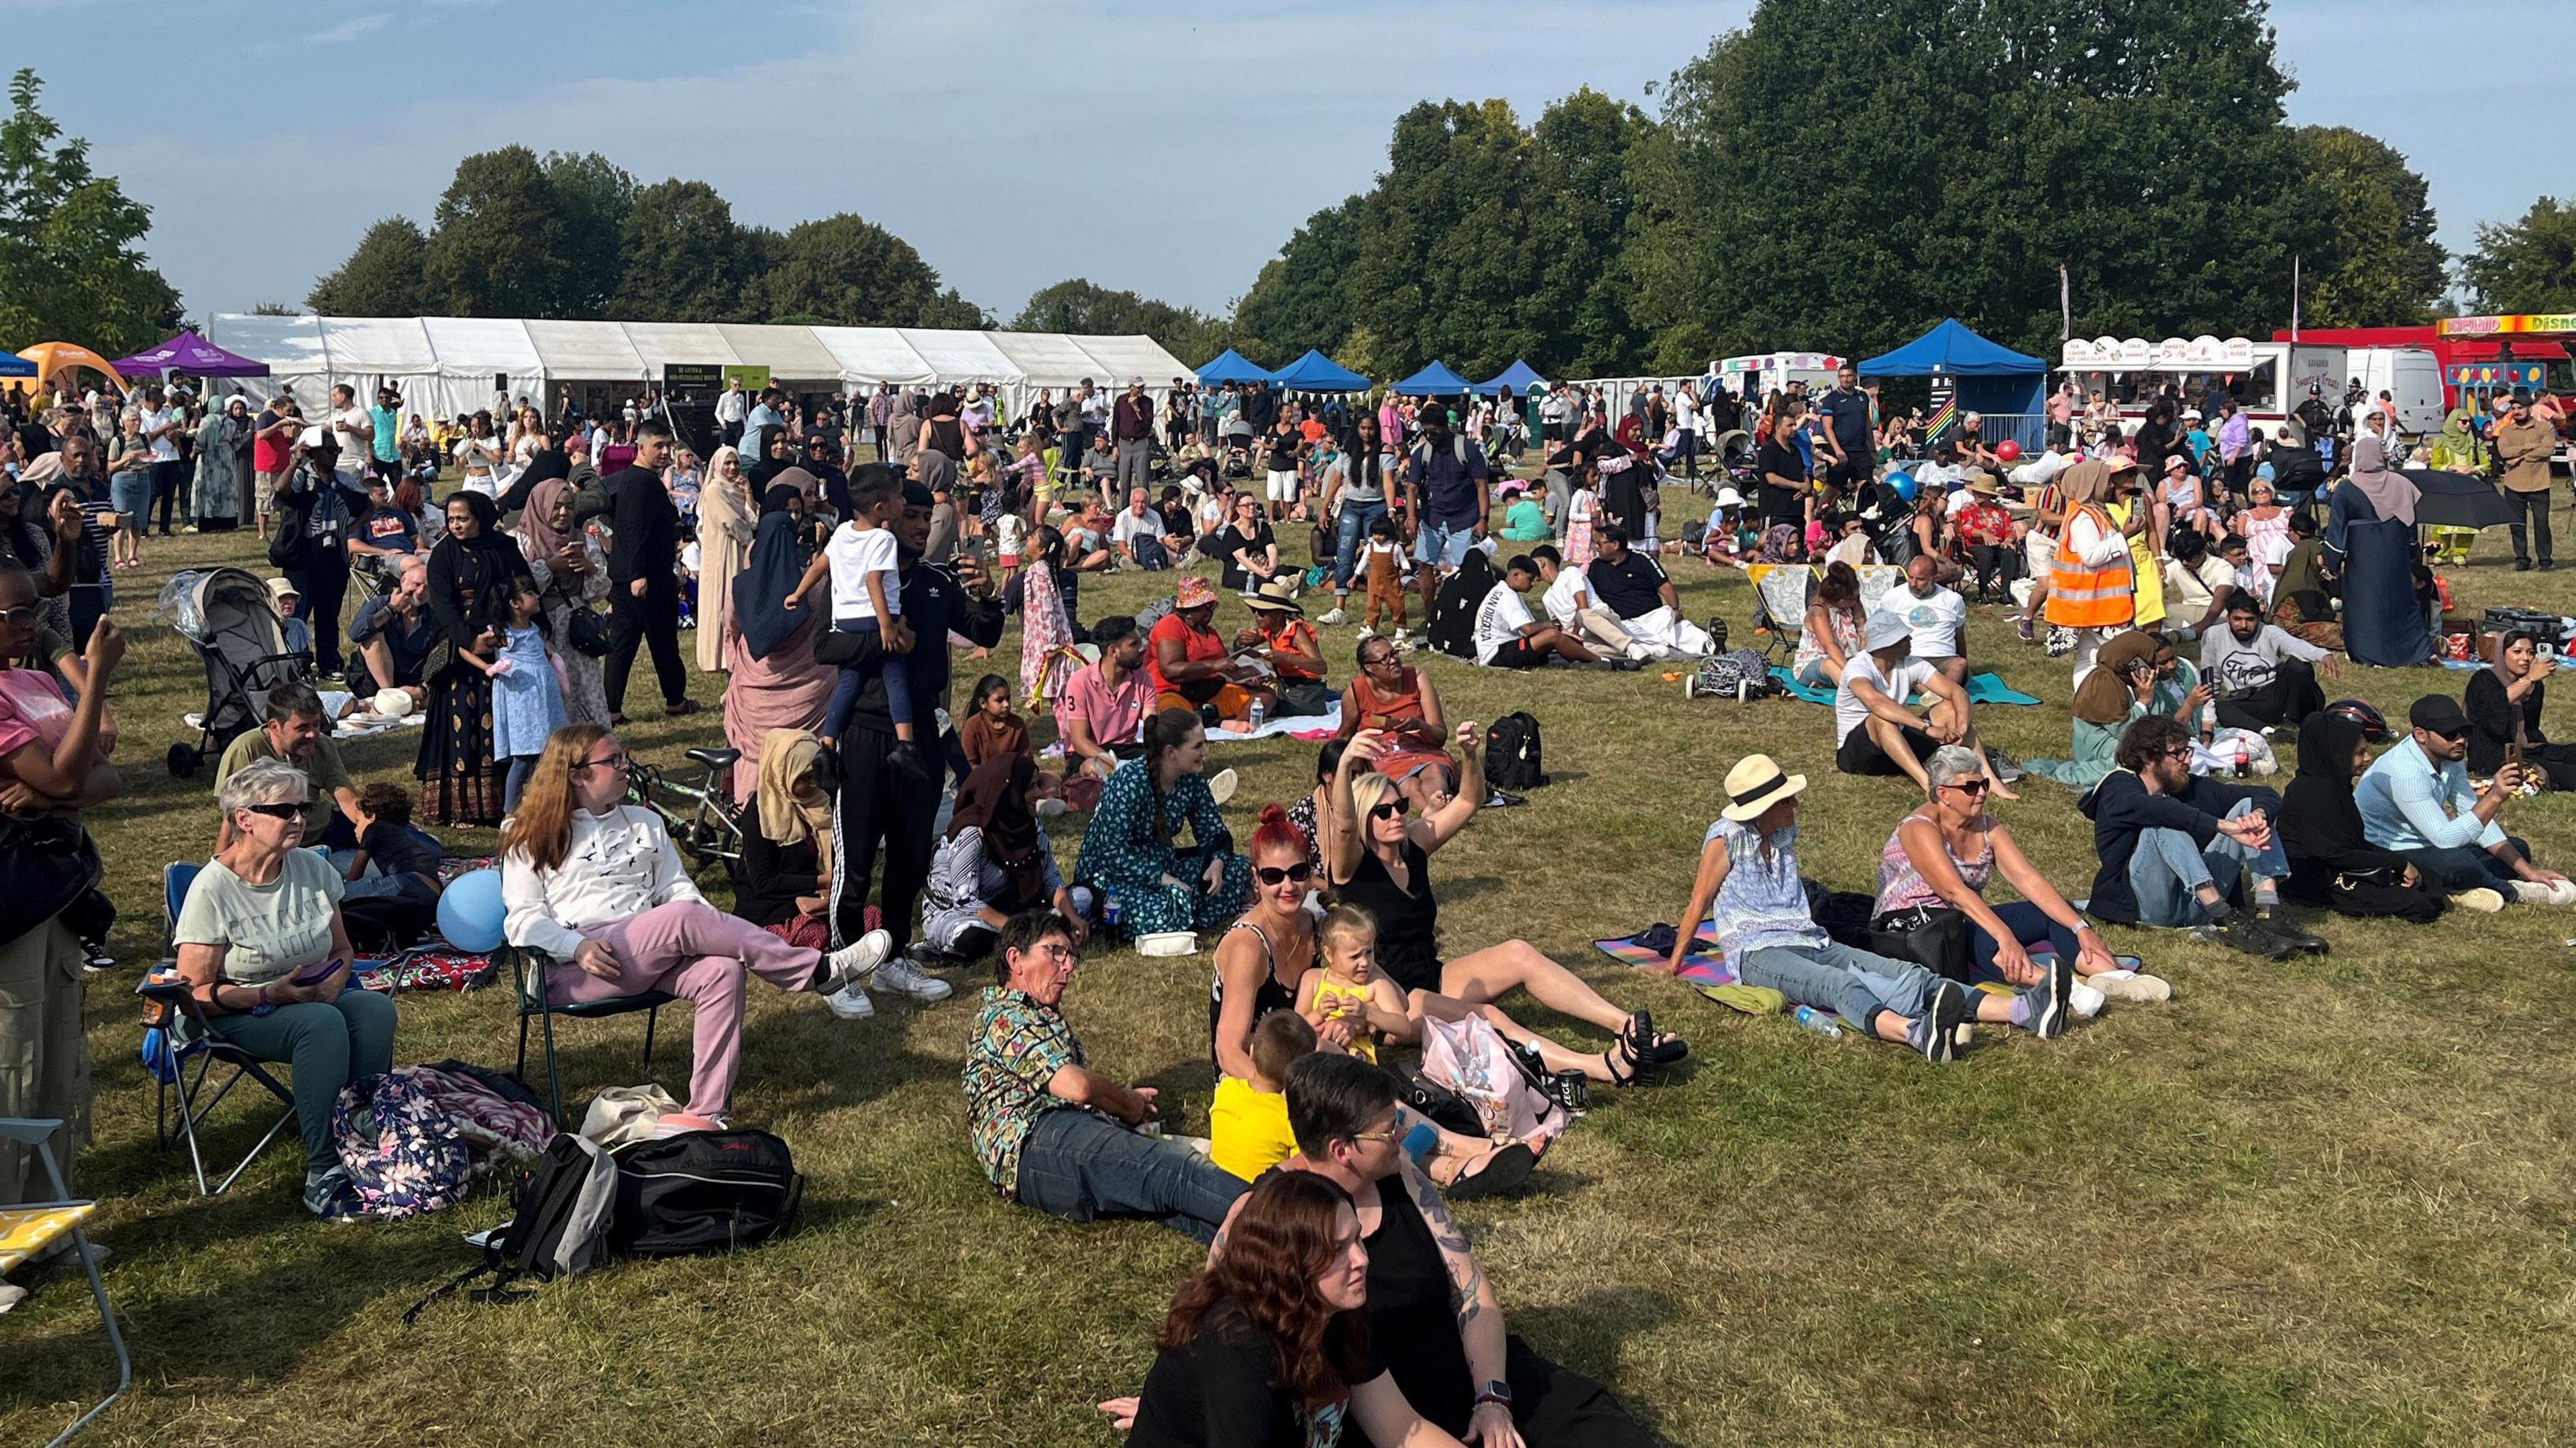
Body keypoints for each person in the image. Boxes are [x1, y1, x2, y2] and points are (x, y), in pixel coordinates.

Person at [503, 724, 898, 1113]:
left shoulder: (646, 822)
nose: (627, 766)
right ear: (577, 775)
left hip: (649, 951)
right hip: (575, 967)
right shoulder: (531, 834)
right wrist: (578, 947)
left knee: (723, 970)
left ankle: (706, 1114)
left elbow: (678, 890)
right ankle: (817, 971)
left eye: (625, 757)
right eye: (613, 761)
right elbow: (522, 921)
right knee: (681, 919)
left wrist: (710, 929)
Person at [1328, 727, 1682, 1083]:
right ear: (1363, 819)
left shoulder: (1413, 845)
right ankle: (1604, 1068)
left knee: (1519, 953)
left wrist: (1468, 756)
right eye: (1384, 811)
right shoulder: (1352, 869)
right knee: (1489, 1017)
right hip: (1395, 999)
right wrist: (1345, 766)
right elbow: (1343, 827)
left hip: (1432, 975)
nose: (1397, 816)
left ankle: (1629, 1030)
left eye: (1401, 806)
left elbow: (1468, 802)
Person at [174, 758, 398, 1221]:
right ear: (244, 819)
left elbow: (342, 950)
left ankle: (361, 1131)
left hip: (310, 995)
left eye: (303, 806)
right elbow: (193, 992)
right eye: (282, 810)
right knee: (321, 1025)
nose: (297, 818)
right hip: (237, 1010)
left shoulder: (312, 870)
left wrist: (337, 977)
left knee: (375, 1009)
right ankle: (325, 1172)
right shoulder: (212, 890)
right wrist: (268, 995)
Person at [1669, 754, 2004, 1058]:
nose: (1795, 804)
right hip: (1758, 951)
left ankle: (2019, 1009)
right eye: (1787, 800)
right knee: (1838, 984)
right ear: (1763, 808)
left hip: (1809, 937)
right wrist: (1673, 965)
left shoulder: (1784, 833)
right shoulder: (1725, 837)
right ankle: (1916, 1034)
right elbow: (1701, 900)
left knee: (1903, 972)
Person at [964, 909, 1248, 1243]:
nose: (1067, 966)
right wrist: (1124, 1103)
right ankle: (1301, 1219)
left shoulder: (1035, 1015)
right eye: (1055, 952)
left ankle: (1279, 1259)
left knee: (1168, 1204)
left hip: (1044, 1159)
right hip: (1038, 1140)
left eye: (1070, 955)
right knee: (1172, 1173)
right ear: (1016, 959)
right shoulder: (1006, 1016)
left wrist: (1114, 1101)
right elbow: (1078, 1086)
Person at [830, 476, 1008, 962]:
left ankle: (893, 953)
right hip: (867, 726)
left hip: (924, 731)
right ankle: (845, 955)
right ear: (887, 515)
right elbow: (824, 646)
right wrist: (884, 640)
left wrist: (990, 595)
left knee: (911, 854)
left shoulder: (937, 581)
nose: (921, 528)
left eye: (928, 520)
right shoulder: (854, 572)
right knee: (859, 858)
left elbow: (981, 627)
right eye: (912, 516)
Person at [0, 580, 120, 1239]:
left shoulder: (34, 683)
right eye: (11, 613)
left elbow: (104, 774)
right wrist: (96, 675)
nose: (27, 623)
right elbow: (74, 777)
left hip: (56, 889)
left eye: (32, 611)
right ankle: (0, 1238)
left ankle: (42, 1224)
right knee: (9, 1063)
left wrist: (48, 794)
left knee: (55, 1057)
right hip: (9, 901)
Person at [1880, 746, 2170, 1008]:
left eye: (1983, 783)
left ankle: (2110, 976)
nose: (1982, 792)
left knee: (2053, 912)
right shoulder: (1919, 828)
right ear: (1943, 794)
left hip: (1963, 919)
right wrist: (2005, 935)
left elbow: (2029, 880)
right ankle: (2067, 991)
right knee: (1987, 937)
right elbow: (1954, 892)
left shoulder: (1987, 827)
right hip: (1919, 928)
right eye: (1970, 787)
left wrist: (2080, 926)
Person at [2077, 714, 2310, 956]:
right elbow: (2157, 809)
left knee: (2248, 808)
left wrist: (2257, 815)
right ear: (2148, 757)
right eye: (2178, 753)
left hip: (2196, 907)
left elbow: (2265, 793)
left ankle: (2269, 912)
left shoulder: (2190, 786)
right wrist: (2224, 827)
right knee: (2162, 825)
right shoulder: (2119, 788)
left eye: (2188, 751)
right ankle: (2224, 918)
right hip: (2147, 905)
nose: (2188, 760)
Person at [2357, 695, 2576, 906]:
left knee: (2517, 849)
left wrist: (2528, 871)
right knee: (2460, 863)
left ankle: (2464, 888)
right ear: (2421, 735)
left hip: (2430, 845)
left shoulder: (2449, 758)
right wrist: (2495, 796)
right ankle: (2512, 891)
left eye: (2464, 731)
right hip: (2390, 853)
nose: (2461, 739)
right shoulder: (2405, 774)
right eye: (2450, 734)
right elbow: (2445, 840)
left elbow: (2472, 813)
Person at [1075, 708, 1252, 936]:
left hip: (1163, 864)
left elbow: (1213, 831)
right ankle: (1180, 911)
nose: (1205, 751)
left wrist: (1216, 863)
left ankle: (1184, 909)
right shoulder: (1129, 783)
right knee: (1160, 909)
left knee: (1240, 869)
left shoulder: (1192, 778)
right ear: (1171, 752)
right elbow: (1111, 852)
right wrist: (1163, 879)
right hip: (1114, 875)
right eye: (1197, 746)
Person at [417, 490, 529, 826]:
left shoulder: (504, 549)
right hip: (461, 650)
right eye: (451, 519)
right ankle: (461, 807)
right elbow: (443, 604)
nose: (456, 525)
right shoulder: (443, 555)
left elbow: (523, 587)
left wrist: (517, 627)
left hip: (503, 643)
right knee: (462, 722)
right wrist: (470, 639)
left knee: (501, 723)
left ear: (479, 517)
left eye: (463, 519)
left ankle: (504, 802)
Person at [722, 485, 837, 801]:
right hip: (808, 698)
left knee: (754, 764)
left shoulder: (741, 587)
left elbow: (731, 627)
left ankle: (751, 814)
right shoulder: (814, 589)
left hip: (753, 700)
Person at [2279, 712, 2451, 921]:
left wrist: (2398, 863)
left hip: (2342, 864)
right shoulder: (2311, 793)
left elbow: (2356, 844)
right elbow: (2334, 854)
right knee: (2419, 906)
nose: (2368, 758)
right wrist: (2396, 863)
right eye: (2359, 753)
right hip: (2317, 879)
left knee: (2427, 875)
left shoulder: (2336, 785)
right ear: (2335, 755)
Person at [794, 467, 916, 750]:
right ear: (880, 508)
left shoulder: (843, 532)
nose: (904, 503)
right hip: (876, 618)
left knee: (849, 679)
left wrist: (798, 593)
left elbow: (820, 565)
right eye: (900, 498)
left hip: (846, 621)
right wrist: (886, 625)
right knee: (895, 677)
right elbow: (874, 581)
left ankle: (828, 740)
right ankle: (906, 744)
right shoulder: (884, 540)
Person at [1835, 610, 2011, 796]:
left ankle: (1989, 780)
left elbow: (1956, 692)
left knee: (1950, 709)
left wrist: (1961, 727)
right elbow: (1878, 703)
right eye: (1903, 638)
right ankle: (1928, 784)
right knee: (1881, 718)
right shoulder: (1857, 668)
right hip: (1857, 755)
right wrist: (1926, 727)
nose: (1910, 639)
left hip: (1898, 744)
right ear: (1887, 644)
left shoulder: (1911, 663)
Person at [2027, 630, 2208, 790]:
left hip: (2127, 746)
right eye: (2149, 660)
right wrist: (2143, 701)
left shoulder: (2136, 682)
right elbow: (2126, 732)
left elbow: (2160, 724)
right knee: (2139, 767)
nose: (2154, 666)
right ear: (2133, 661)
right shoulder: (2103, 683)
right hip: (2102, 751)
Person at [600, 420, 694, 724]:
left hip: (643, 574)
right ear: (640, 448)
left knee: (652, 642)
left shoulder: (637, 480)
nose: (666, 452)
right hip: (642, 578)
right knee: (635, 643)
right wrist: (639, 574)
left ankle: (672, 700)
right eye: (659, 446)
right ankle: (615, 708)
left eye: (669, 445)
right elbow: (634, 530)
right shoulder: (641, 482)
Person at [735, 729, 847, 957]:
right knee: (816, 937)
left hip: (820, 899)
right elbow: (764, 882)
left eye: (816, 775)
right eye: (804, 779)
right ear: (782, 772)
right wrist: (822, 881)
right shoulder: (761, 813)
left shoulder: (822, 804)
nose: (814, 785)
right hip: (771, 906)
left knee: (875, 920)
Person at [215, 680, 364, 850]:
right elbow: (233, 819)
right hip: (279, 843)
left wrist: (370, 824)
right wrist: (221, 867)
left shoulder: (323, 745)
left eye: (316, 724)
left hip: (326, 830)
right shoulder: (246, 749)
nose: (313, 734)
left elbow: (349, 799)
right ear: (274, 727)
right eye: (302, 728)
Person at [2325, 435, 2434, 666]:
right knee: (2400, 601)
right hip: (2396, 552)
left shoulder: (2347, 488)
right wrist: (2412, 554)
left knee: (2365, 602)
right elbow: (2410, 527)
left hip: (2362, 553)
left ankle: (2368, 652)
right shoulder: (2402, 484)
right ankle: (2410, 651)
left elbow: (2336, 531)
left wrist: (2331, 561)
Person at [270, 428, 369, 679]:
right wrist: (295, 461)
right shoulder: (302, 477)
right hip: (302, 558)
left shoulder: (343, 480)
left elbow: (369, 505)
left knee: (328, 614)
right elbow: (281, 491)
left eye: (337, 450)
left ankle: (329, 663)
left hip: (333, 559)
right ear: (314, 452)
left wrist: (349, 529)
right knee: (296, 613)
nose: (335, 455)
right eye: (329, 450)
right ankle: (297, 664)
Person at [473, 574, 570, 812]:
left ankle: (546, 804)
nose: (536, 597)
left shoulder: (534, 629)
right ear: (514, 603)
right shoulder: (503, 635)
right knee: (525, 758)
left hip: (544, 698)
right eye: (530, 593)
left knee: (549, 752)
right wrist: (487, 667)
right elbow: (466, 648)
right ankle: (510, 811)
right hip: (522, 701)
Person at [1335, 637, 1456, 812]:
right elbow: (1344, 736)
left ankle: (1435, 804)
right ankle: (1434, 811)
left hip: (1425, 751)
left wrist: (1420, 726)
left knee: (1435, 771)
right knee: (1409, 785)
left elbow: (1440, 736)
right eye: (1385, 659)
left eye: (1394, 653)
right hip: (1384, 758)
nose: (1393, 660)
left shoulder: (1417, 678)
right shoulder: (1356, 692)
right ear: (1369, 667)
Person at [2040, 456, 2140, 664]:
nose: (2111, 484)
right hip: (2094, 608)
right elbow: (2091, 556)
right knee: (2115, 658)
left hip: (2095, 606)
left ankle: (2088, 695)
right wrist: (2124, 536)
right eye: (2106, 479)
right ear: (2092, 483)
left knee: (2090, 658)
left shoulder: (2094, 512)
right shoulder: (2084, 516)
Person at [2200, 590, 2334, 731]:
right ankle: (2268, 732)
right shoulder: (2213, 636)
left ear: (2258, 618)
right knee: (2221, 708)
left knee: (2299, 665)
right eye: (2237, 619)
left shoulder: (2269, 632)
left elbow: (2295, 644)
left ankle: (2293, 719)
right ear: (2228, 618)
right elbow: (2210, 674)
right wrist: (2207, 707)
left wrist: (2323, 655)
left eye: (2250, 619)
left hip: (2275, 690)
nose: (2244, 625)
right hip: (2246, 698)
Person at [1148, 575, 1274, 726]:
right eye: (1206, 607)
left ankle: (1234, 724)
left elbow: (1223, 667)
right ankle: (1202, 721)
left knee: (1266, 696)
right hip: (1175, 692)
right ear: (1189, 610)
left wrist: (1245, 677)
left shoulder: (1210, 631)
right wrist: (1213, 666)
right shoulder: (1170, 625)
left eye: (1212, 606)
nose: (1211, 612)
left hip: (1211, 691)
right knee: (1175, 718)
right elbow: (1170, 669)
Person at [1405, 413, 1489, 624]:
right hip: (1433, 518)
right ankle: (1431, 615)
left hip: (1464, 517)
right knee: (1424, 564)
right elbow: (1412, 488)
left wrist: (1483, 518)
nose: (1429, 435)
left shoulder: (1467, 448)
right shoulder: (1422, 453)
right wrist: (1411, 517)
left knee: (1469, 569)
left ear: (1445, 426)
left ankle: (1470, 615)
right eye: (1425, 431)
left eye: (1434, 431)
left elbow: (1482, 485)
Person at [2466, 631, 2576, 791]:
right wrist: (2528, 679)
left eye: (2530, 652)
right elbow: (2494, 718)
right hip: (2495, 755)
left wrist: (2530, 683)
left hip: (2530, 749)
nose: (2525, 658)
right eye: (2517, 652)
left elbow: (2531, 728)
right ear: (2502, 654)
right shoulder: (2484, 680)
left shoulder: (2535, 685)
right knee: (2568, 773)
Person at [1585, 526, 1712, 659]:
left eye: (1599, 543)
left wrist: (1675, 609)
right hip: (1622, 622)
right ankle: (1651, 648)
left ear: (1616, 545)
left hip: (1652, 615)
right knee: (1619, 636)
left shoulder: (1641, 559)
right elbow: (1591, 596)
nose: (1596, 547)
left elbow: (1665, 586)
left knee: (1674, 626)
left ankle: (1707, 645)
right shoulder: (1596, 566)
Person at [1057, 615, 1154, 785]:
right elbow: (1079, 741)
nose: (1142, 648)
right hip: (1088, 752)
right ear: (1113, 651)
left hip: (1125, 749)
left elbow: (1152, 722)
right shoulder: (1080, 682)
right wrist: (1113, 762)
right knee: (1096, 768)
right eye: (1134, 645)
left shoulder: (1143, 678)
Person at [1474, 555, 1607, 669]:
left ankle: (1585, 659)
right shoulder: (1507, 596)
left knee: (1553, 638)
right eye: (1530, 579)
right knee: (1552, 636)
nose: (1533, 584)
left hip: (1500, 650)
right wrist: (1552, 626)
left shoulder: (1502, 591)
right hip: (1497, 655)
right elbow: (1528, 630)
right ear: (1516, 576)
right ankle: (1599, 661)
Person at [692, 444, 754, 673]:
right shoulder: (714, 490)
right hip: (722, 552)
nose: (732, 467)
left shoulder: (737, 488)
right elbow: (731, 522)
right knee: (721, 598)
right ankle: (718, 656)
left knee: (735, 601)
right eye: (727, 463)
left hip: (739, 551)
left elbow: (753, 517)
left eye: (736, 463)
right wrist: (750, 539)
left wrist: (748, 492)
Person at [1238, 581, 1330, 716]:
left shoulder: (1296, 632)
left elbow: (1321, 667)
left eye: (1263, 612)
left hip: (1303, 688)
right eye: (1255, 611)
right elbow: (1244, 647)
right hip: (1284, 683)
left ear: (1279, 614)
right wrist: (1241, 640)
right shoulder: (1270, 629)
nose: (1257, 616)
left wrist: (1286, 657)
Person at [2495, 392, 2556, 572]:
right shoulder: (2506, 431)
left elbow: (2548, 450)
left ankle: (2545, 559)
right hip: (2514, 484)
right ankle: (2522, 558)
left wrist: (2519, 458)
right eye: (2513, 409)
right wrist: (2530, 447)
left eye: (2520, 408)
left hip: (2539, 483)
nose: (2517, 411)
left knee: (2542, 524)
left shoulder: (2545, 428)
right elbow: (2505, 452)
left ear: (2530, 409)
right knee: (2517, 525)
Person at [1892, 553, 1968, 683]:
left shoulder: (1953, 600)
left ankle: (1931, 691)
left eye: (1920, 579)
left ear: (1934, 579)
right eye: (1910, 577)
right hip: (1910, 657)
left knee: (1960, 664)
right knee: (1907, 670)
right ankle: (1941, 691)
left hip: (1942, 659)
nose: (1913, 584)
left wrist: (1964, 660)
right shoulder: (1893, 597)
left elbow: (1959, 635)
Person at [1792, 560, 1865, 689]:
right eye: (1851, 598)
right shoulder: (1819, 611)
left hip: (1849, 660)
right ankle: (1859, 691)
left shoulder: (1853, 605)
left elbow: (1863, 632)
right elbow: (1830, 647)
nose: (1855, 600)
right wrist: (1852, 671)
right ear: (1838, 599)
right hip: (1816, 662)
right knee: (1830, 665)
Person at [193, 394, 249, 533]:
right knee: (227, 490)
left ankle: (208, 522)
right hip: (227, 456)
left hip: (209, 457)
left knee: (209, 489)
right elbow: (238, 441)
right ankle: (227, 522)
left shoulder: (206, 422)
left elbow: (200, 441)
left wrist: (195, 451)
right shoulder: (231, 422)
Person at [1215, 492, 1281, 594]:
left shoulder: (1263, 526)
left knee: (1284, 569)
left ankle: (1282, 581)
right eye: (1247, 505)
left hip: (1263, 566)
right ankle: (1282, 583)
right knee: (1257, 579)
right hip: (1239, 571)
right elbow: (1241, 558)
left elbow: (1272, 549)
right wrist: (1261, 572)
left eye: (1253, 504)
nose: (1251, 508)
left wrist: (1271, 567)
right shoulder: (1232, 531)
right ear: (1238, 509)